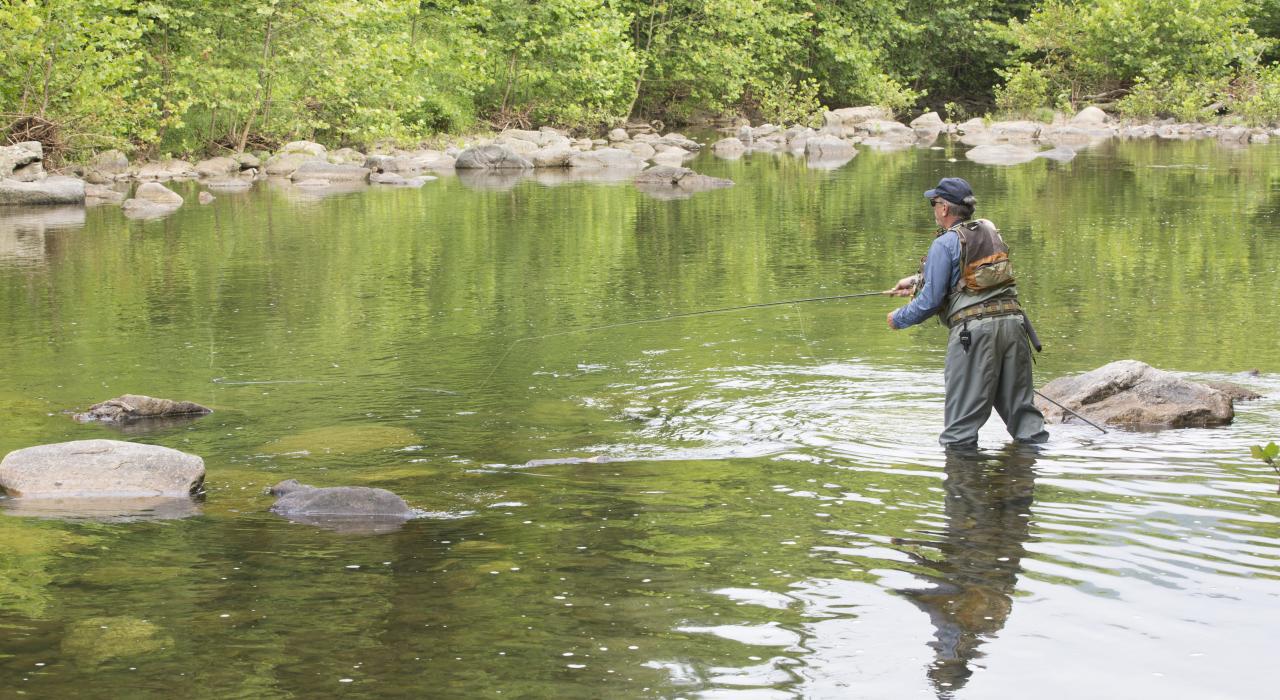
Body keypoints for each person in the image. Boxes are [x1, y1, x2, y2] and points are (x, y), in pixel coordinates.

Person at [886, 177, 1048, 448]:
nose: (933, 208)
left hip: (974, 336)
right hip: (1014, 327)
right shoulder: (989, 229)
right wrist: (915, 281)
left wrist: (898, 319)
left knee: (959, 433)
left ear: (945, 209)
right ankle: (1024, 481)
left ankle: (962, 487)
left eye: (934, 203)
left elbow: (930, 302)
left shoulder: (944, 243)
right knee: (1027, 425)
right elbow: (971, 276)